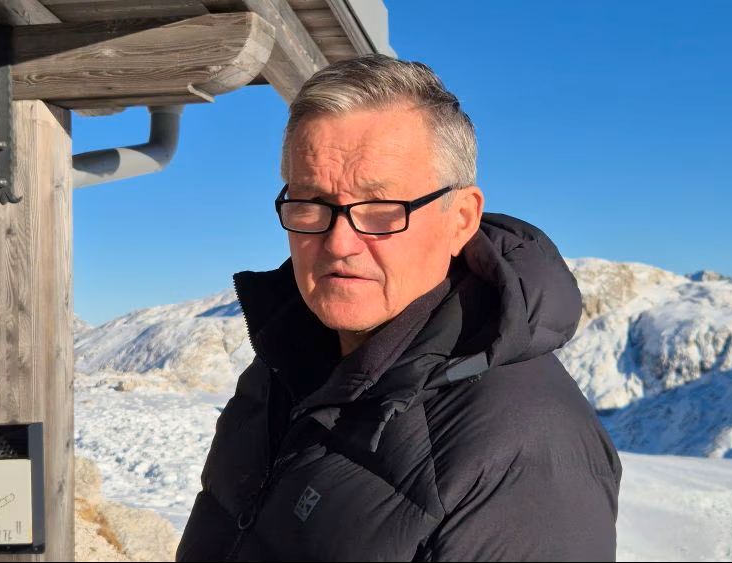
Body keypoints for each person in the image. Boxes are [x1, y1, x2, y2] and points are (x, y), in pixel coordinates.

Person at [177, 53, 622, 562]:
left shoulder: (526, 456)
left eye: (382, 208)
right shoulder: (286, 358)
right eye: (311, 202)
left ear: (460, 219)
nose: (339, 241)